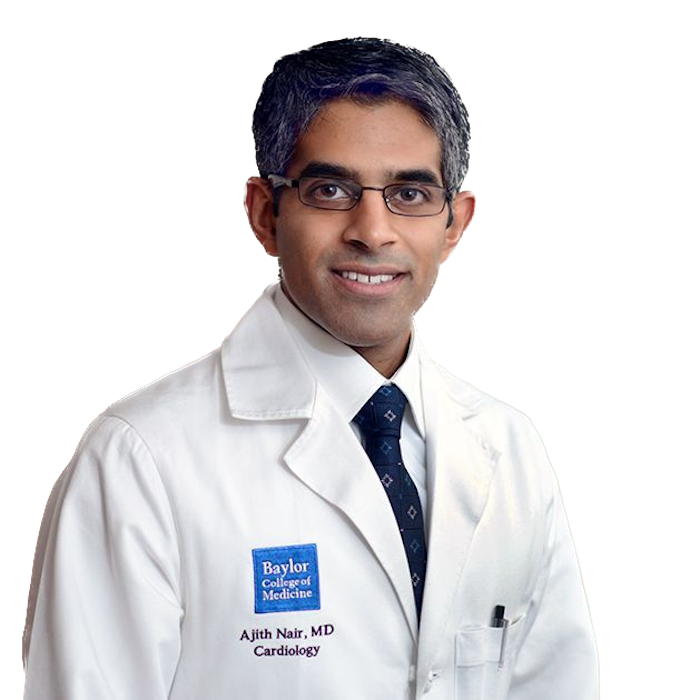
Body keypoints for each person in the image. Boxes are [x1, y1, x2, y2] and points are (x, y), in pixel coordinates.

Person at [23, 37, 598, 699]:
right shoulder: (139, 460)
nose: (373, 231)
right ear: (265, 214)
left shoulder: (511, 447)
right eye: (330, 190)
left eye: (410, 193)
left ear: (454, 225)